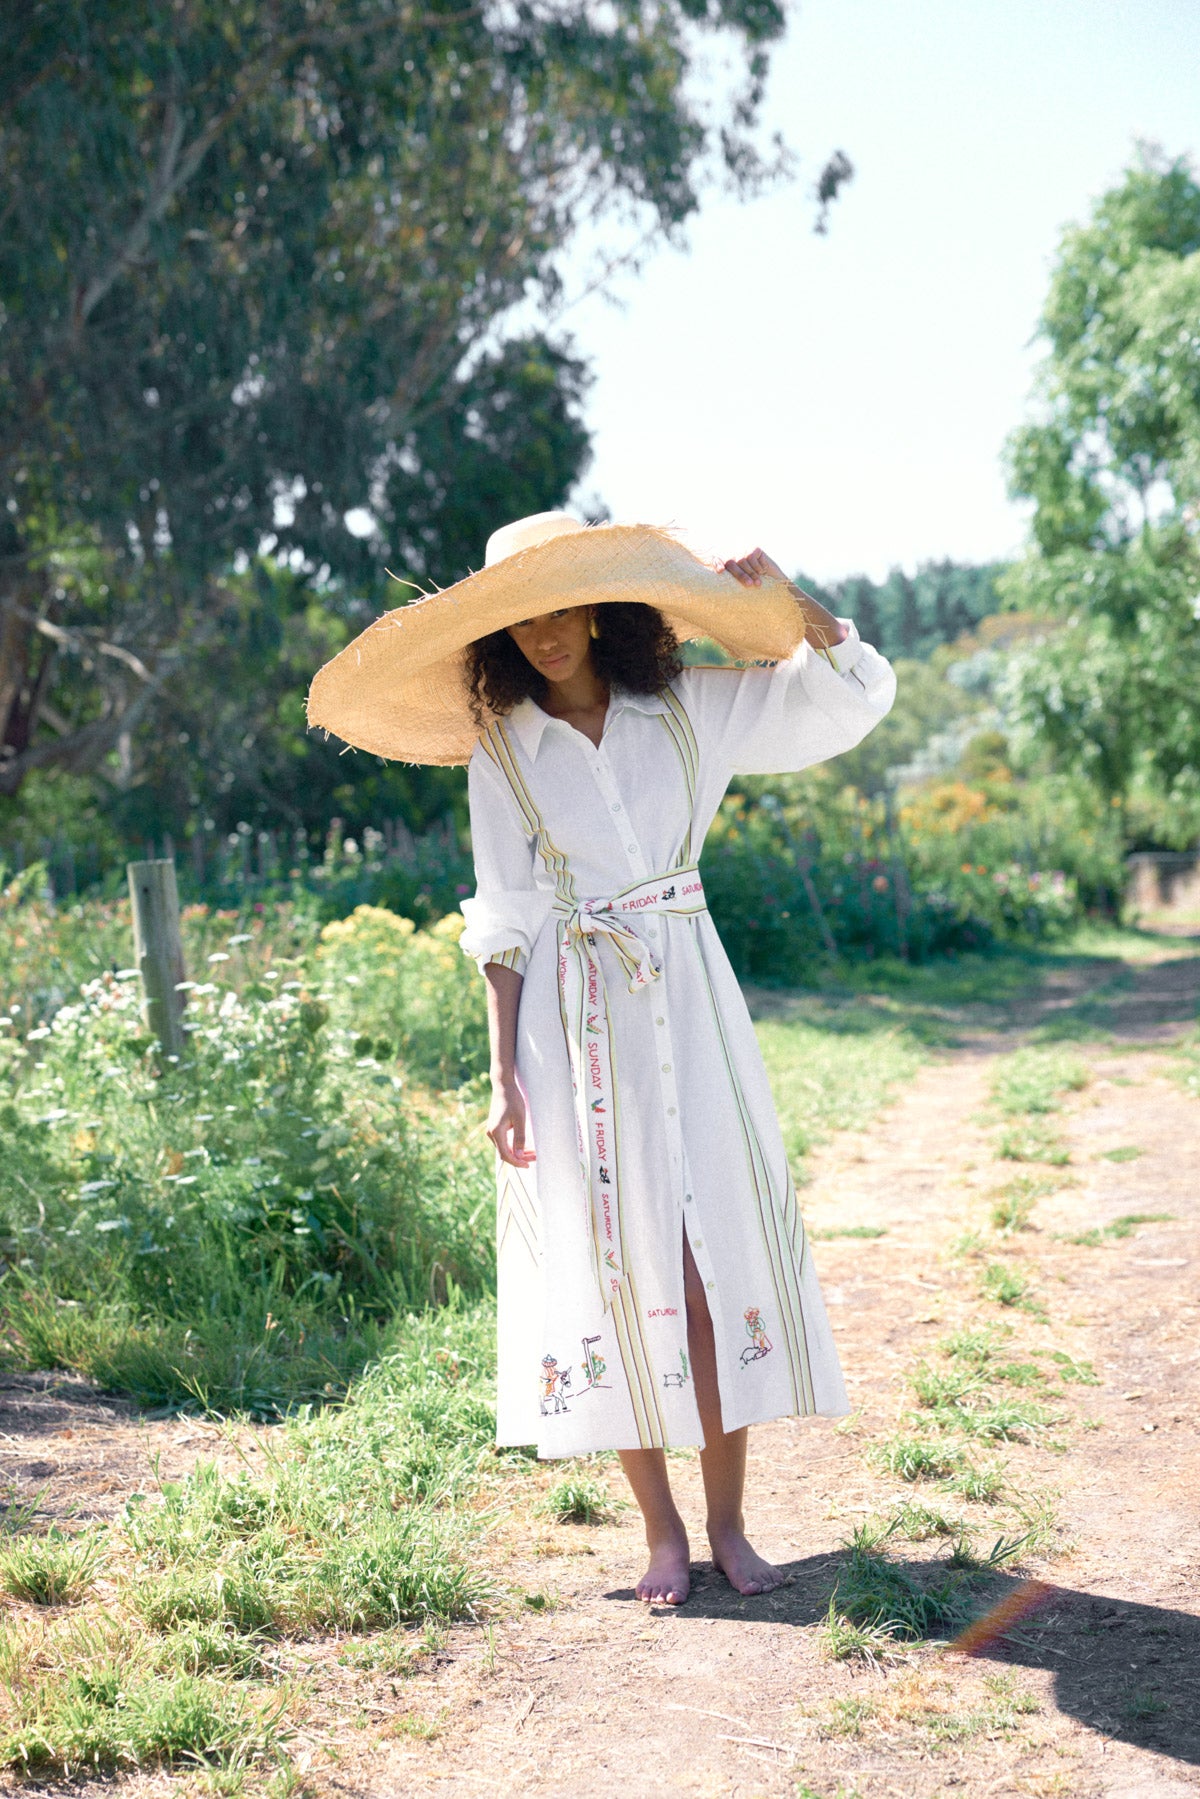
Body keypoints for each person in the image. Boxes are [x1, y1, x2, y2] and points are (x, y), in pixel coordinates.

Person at [307, 511, 896, 1606]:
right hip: (571, 1020)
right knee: (618, 1272)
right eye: (517, 619)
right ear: (497, 635)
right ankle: (661, 1534)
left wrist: (795, 607)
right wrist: (500, 1075)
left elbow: (844, 698)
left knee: (711, 1264)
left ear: (597, 603)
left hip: (688, 991)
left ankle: (728, 1525)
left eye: (557, 607)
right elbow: (504, 914)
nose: (542, 635)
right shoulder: (505, 753)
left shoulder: (687, 711)